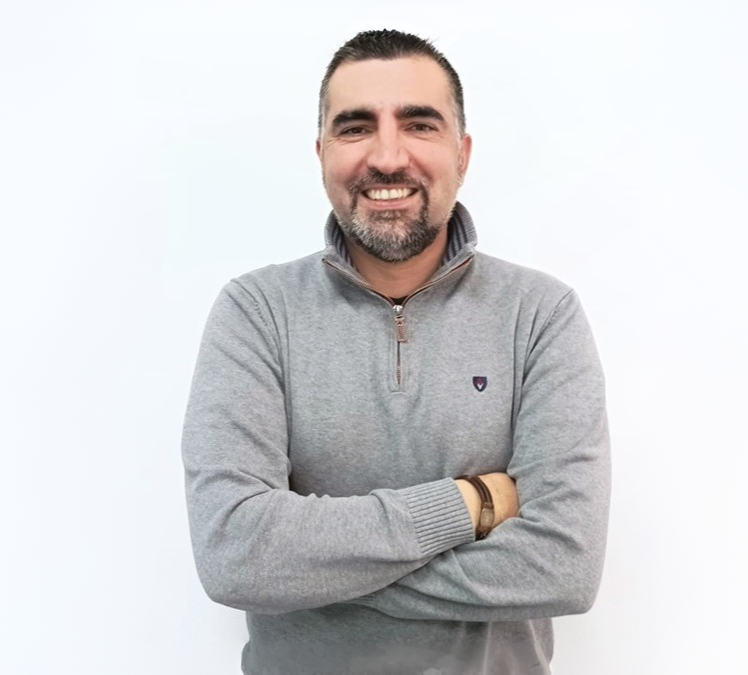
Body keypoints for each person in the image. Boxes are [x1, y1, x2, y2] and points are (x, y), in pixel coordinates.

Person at [182, 28, 610, 675]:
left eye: (419, 125)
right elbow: (234, 554)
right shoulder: (256, 312)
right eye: (356, 128)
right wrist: (471, 503)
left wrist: (312, 574)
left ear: (462, 153)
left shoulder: (540, 314)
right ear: (322, 153)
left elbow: (563, 565)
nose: (387, 156)